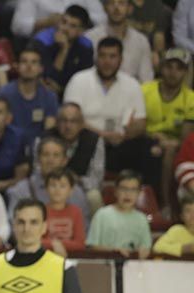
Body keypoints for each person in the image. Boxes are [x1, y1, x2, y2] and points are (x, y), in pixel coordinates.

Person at [63, 37, 150, 176]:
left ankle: (134, 189)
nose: (107, 61)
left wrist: (124, 135)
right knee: (85, 138)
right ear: (96, 58)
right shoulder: (79, 80)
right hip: (86, 140)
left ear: (120, 59)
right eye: (102, 56)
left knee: (148, 147)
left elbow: (141, 123)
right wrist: (102, 135)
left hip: (120, 142)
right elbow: (70, 118)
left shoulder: (132, 84)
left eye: (112, 56)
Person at [142, 50, 194, 217]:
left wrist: (171, 143)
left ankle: (166, 205)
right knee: (154, 150)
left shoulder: (191, 98)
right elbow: (136, 125)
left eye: (179, 68)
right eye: (169, 66)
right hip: (145, 139)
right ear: (161, 68)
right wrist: (154, 137)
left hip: (175, 145)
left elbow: (186, 137)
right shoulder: (145, 90)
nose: (173, 72)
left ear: (185, 72)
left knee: (170, 150)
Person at [5, 134, 91, 225]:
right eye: (46, 155)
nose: (50, 160)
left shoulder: (76, 192)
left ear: (64, 161)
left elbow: (84, 227)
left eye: (56, 155)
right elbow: (13, 224)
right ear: (38, 159)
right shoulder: (21, 190)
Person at [0, 45, 59, 154]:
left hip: (38, 150)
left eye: (34, 62)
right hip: (8, 148)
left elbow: (49, 131)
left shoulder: (50, 97)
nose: (29, 66)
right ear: (17, 66)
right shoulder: (5, 94)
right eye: (24, 62)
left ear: (41, 68)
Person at [85, 170, 151, 256]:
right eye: (124, 189)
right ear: (116, 191)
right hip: (106, 263)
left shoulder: (141, 218)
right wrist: (114, 251)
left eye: (133, 190)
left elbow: (146, 247)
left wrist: (144, 251)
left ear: (139, 193)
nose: (128, 194)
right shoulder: (102, 214)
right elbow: (92, 246)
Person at [42, 169, 86, 255]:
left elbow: (80, 244)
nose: (57, 190)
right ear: (46, 189)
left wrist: (58, 244)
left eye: (62, 186)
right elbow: (35, 241)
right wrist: (53, 244)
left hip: (71, 257)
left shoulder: (76, 211)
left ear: (71, 190)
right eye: (53, 185)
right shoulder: (40, 211)